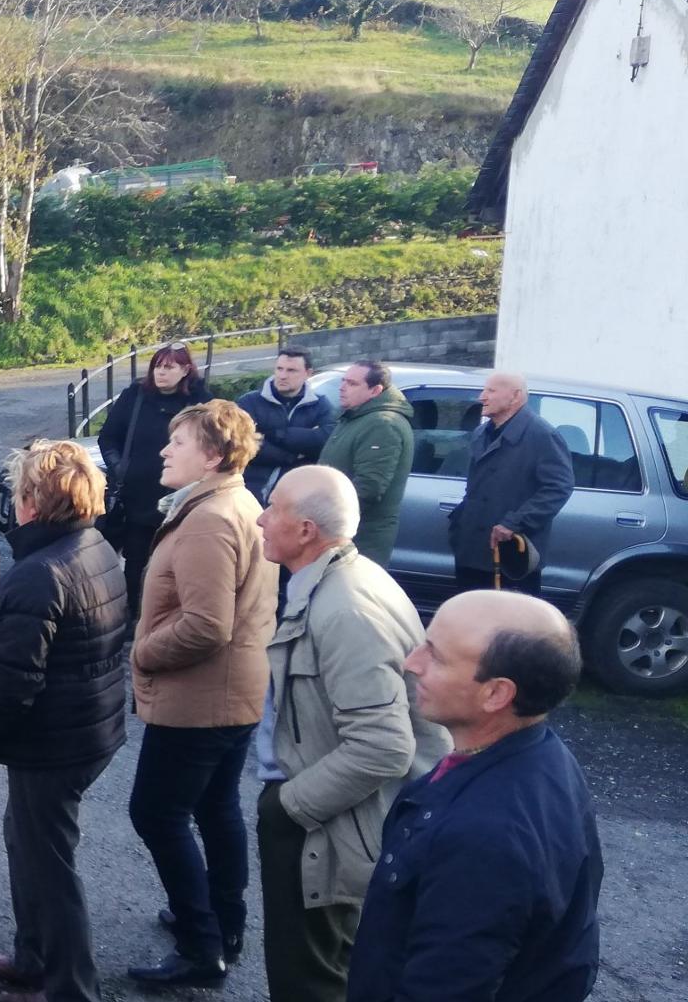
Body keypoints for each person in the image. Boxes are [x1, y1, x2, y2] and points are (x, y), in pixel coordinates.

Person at [347, 590, 603, 1002]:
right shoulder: (545, 755)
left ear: (496, 694)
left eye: (436, 655)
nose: (411, 663)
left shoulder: (483, 838)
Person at [255, 465, 450, 1002]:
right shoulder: (338, 579)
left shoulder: (346, 609)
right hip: (329, 812)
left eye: (274, 508)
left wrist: (289, 806)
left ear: (307, 532)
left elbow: (384, 745)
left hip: (328, 823)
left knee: (311, 977)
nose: (261, 518)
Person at [127, 400, 277, 987]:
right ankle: (223, 923)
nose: (165, 450)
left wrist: (140, 652)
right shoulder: (236, 501)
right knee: (215, 807)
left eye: (179, 442)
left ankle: (201, 945)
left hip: (201, 701)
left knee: (156, 813)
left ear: (213, 455)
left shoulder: (211, 518)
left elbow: (206, 624)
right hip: (233, 693)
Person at [0, 440, 127, 1002]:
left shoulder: (38, 574)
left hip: (56, 741)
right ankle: (32, 955)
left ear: (34, 503)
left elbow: (13, 680)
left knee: (49, 863)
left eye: (19, 493)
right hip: (89, 727)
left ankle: (69, 988)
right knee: (27, 841)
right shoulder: (96, 547)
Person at [97, 342, 211, 621]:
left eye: (169, 366)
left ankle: (169, 617)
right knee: (135, 563)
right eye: (157, 366)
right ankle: (133, 617)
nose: (161, 372)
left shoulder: (200, 403)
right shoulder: (136, 396)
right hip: (138, 498)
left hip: (182, 500)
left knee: (178, 564)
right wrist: (120, 467)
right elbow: (108, 437)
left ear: (185, 370)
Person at [449, 372, 573, 596]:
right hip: (472, 549)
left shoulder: (542, 435)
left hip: (511, 554)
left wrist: (514, 522)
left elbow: (558, 487)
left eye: (491, 391)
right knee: (472, 618)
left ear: (515, 396)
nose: (481, 397)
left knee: (510, 625)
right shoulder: (481, 432)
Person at [317, 361, 413, 567]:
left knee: (348, 596)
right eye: (343, 381)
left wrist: (325, 521)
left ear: (375, 390)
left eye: (352, 384)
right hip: (338, 535)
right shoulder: (356, 417)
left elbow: (369, 487)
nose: (342, 388)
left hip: (357, 539)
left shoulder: (382, 423)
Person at [236, 348, 336, 502]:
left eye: (291, 370)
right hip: (251, 489)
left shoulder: (320, 405)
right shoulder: (249, 402)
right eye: (279, 369)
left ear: (308, 373)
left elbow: (326, 439)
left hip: (297, 494)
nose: (282, 376)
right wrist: (293, 455)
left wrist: (277, 434)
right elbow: (243, 443)